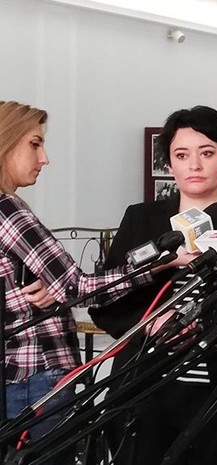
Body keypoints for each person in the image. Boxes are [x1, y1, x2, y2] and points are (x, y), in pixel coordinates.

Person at [0, 100, 180, 464]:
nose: (44, 158)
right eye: (34, 144)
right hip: (38, 377)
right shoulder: (9, 211)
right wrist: (161, 263)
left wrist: (44, 292)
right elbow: (78, 288)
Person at [88, 106, 217, 465]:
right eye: (182, 155)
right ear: (169, 164)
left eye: (207, 153)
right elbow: (106, 303)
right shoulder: (141, 218)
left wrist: (209, 329)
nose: (194, 165)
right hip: (142, 393)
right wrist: (151, 324)